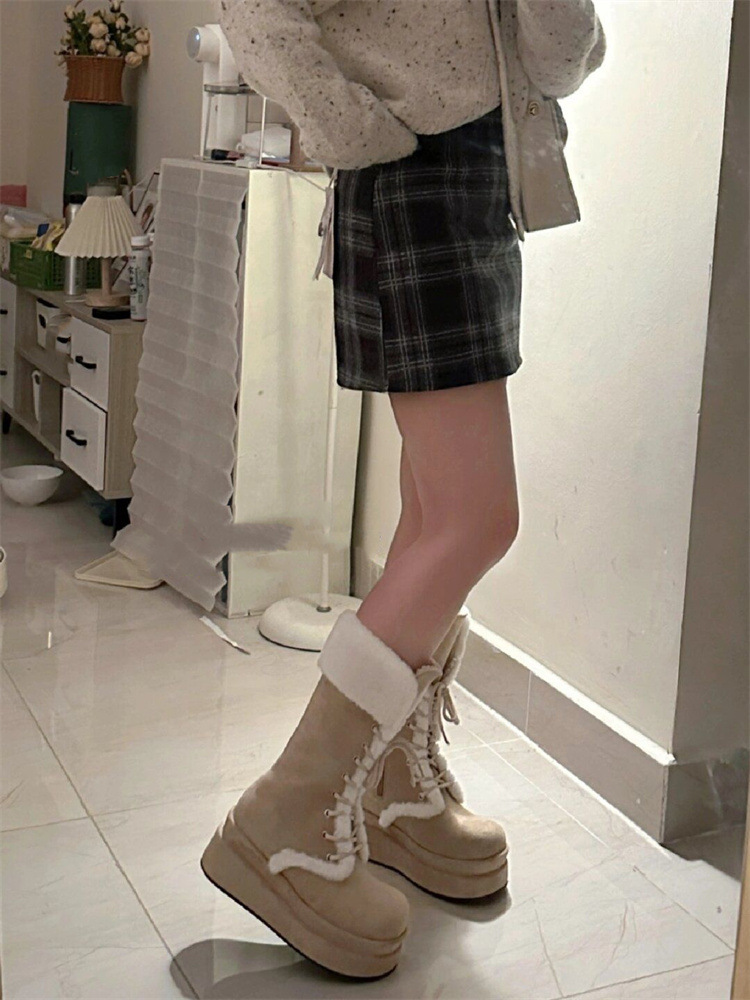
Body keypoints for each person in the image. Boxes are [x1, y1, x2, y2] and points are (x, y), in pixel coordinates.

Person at [200, 0, 606, 979]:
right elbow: (255, 13)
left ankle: (393, 786)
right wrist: (358, 131)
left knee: (432, 515)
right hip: (413, 174)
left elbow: (562, 57)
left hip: (484, 173)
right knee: (477, 519)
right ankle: (289, 812)